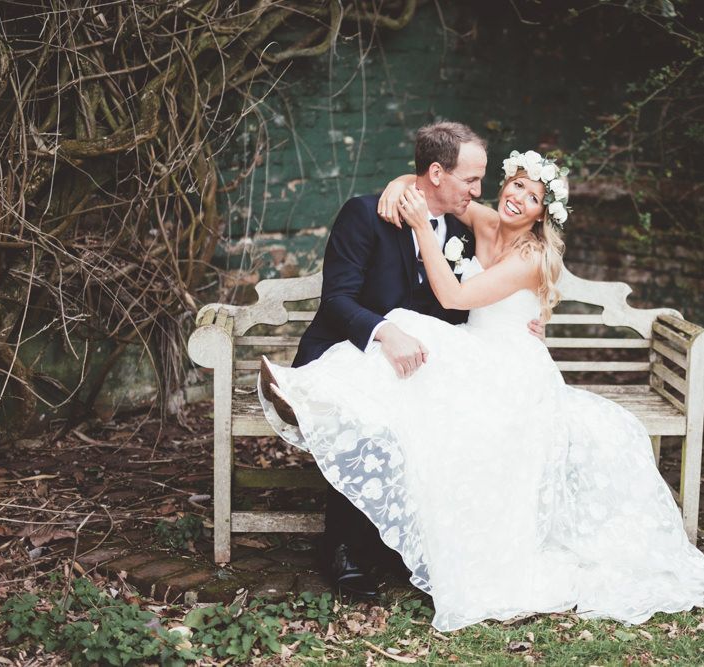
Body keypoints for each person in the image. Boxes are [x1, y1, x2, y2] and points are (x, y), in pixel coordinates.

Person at [259, 148, 704, 631]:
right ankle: (306, 394)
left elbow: (453, 296)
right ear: (506, 185)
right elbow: (438, 187)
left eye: (533, 197)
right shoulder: (486, 221)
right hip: (476, 352)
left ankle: (314, 401)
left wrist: (424, 231)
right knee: (406, 353)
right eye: (516, 186)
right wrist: (399, 183)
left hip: (511, 368)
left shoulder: (532, 256)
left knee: (412, 338)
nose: (519, 199)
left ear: (542, 214)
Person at [285, 122, 545, 598]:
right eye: (471, 180)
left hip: (429, 358)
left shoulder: (468, 229)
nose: (478, 190)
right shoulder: (367, 215)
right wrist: (385, 332)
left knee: (457, 415)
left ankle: (423, 542)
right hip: (354, 348)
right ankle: (345, 548)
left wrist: (532, 314)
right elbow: (337, 302)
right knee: (370, 412)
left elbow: (509, 278)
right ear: (436, 173)